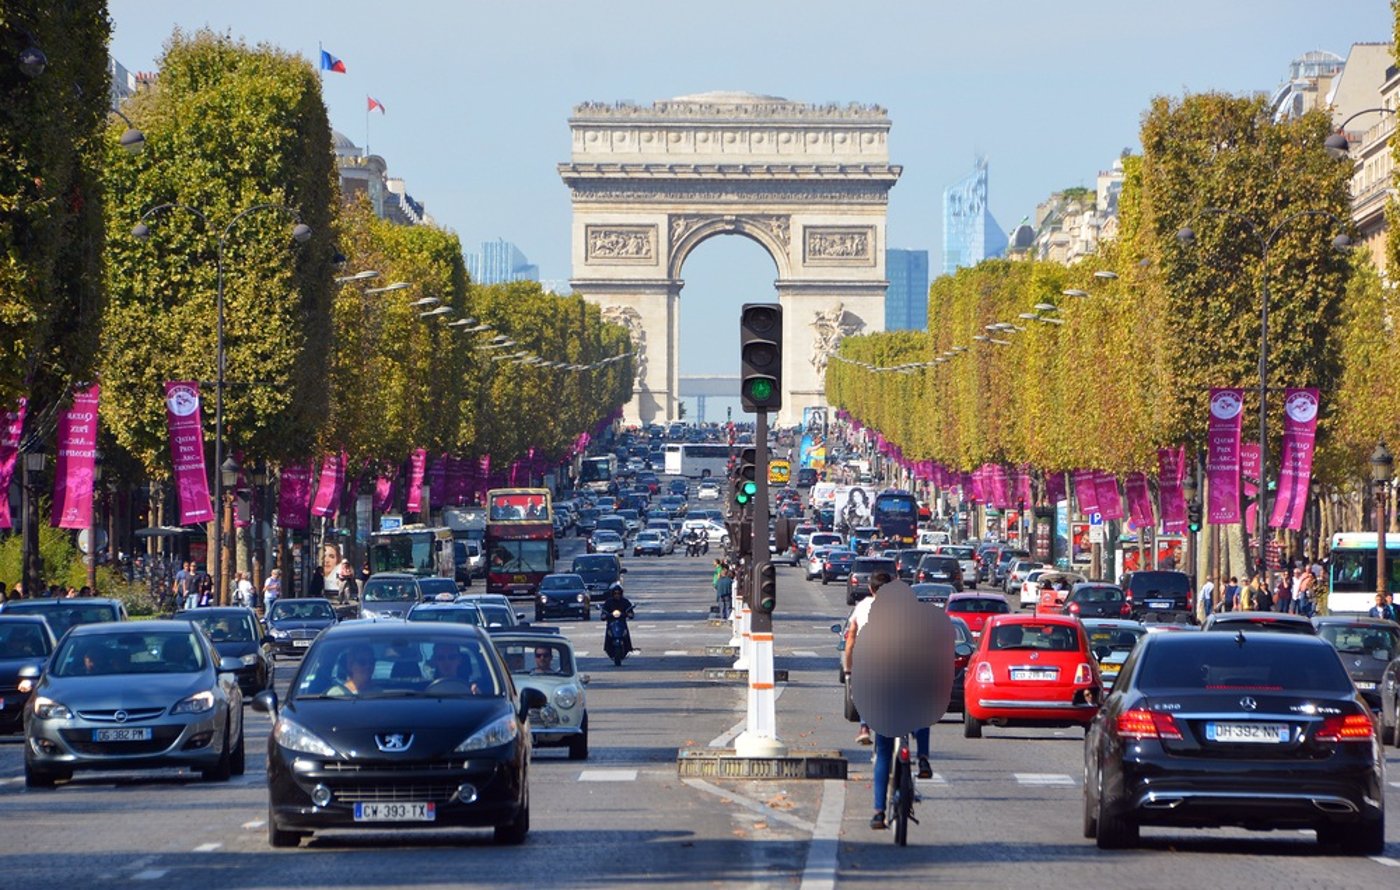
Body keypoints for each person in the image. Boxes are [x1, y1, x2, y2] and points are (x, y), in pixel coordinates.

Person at [844, 570, 934, 830]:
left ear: (871, 590)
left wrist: (849, 670)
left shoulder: (864, 608)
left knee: (883, 751)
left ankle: (878, 812)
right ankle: (923, 757)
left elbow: (851, 642)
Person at [602, 583, 635, 654]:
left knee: (625, 633)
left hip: (621, 622)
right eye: (615, 593)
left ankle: (628, 647)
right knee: (608, 633)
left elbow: (630, 610)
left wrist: (630, 614)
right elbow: (604, 610)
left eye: (618, 593)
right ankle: (608, 647)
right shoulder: (608, 602)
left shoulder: (625, 601)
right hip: (611, 622)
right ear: (612, 594)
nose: (617, 595)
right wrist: (604, 615)